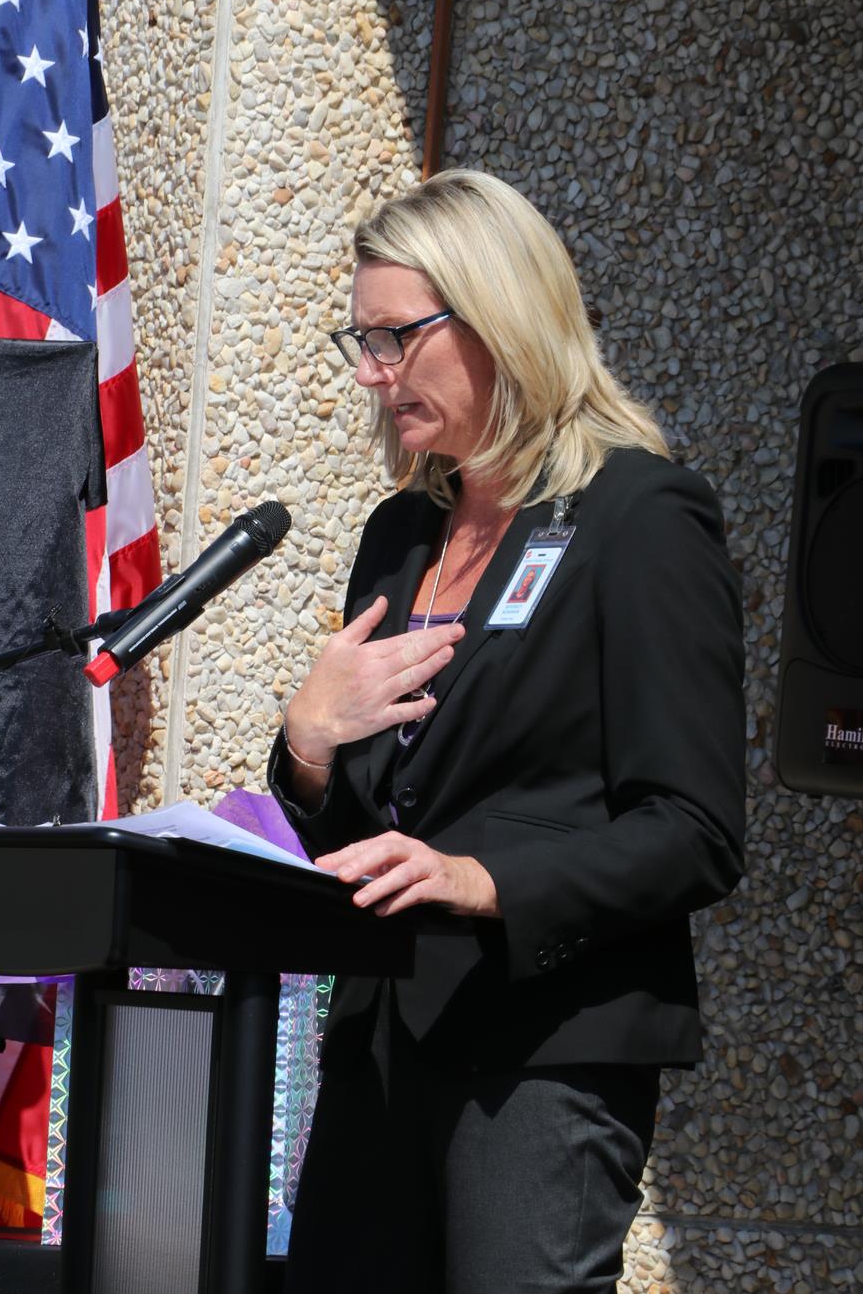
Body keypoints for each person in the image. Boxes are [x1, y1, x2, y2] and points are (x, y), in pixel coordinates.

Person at [268, 169, 745, 1294]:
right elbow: (361, 820)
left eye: (396, 337)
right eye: (361, 341)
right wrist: (306, 746)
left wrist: (481, 879)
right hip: (379, 1044)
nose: (375, 374)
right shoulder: (401, 533)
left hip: (540, 1052)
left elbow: (692, 832)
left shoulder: (636, 517)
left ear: (497, 316)